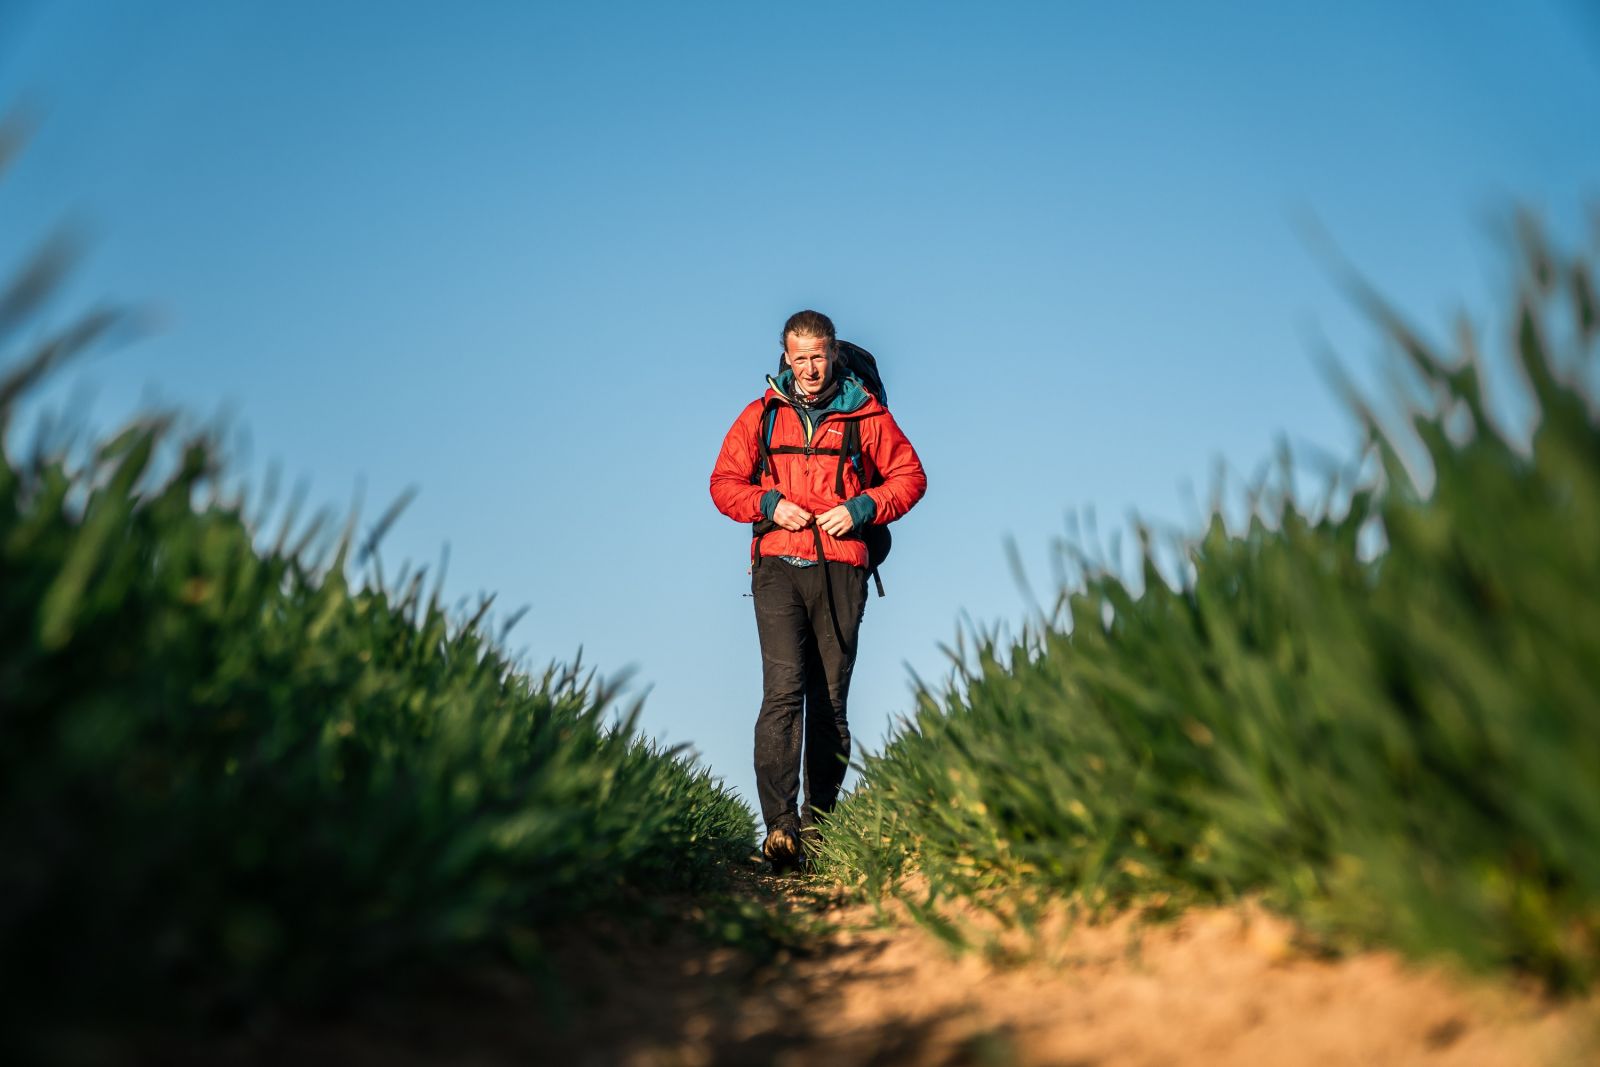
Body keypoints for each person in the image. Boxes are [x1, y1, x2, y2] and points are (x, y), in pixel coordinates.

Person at [709, 309, 927, 869]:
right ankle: (780, 829)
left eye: (817, 355)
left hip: (841, 566)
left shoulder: (867, 413)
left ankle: (820, 829)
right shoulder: (760, 416)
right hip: (778, 564)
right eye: (798, 356)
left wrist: (859, 509)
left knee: (829, 700)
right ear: (785, 357)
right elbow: (723, 483)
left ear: (834, 354)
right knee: (782, 691)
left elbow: (910, 477)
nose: (808, 367)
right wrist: (768, 505)